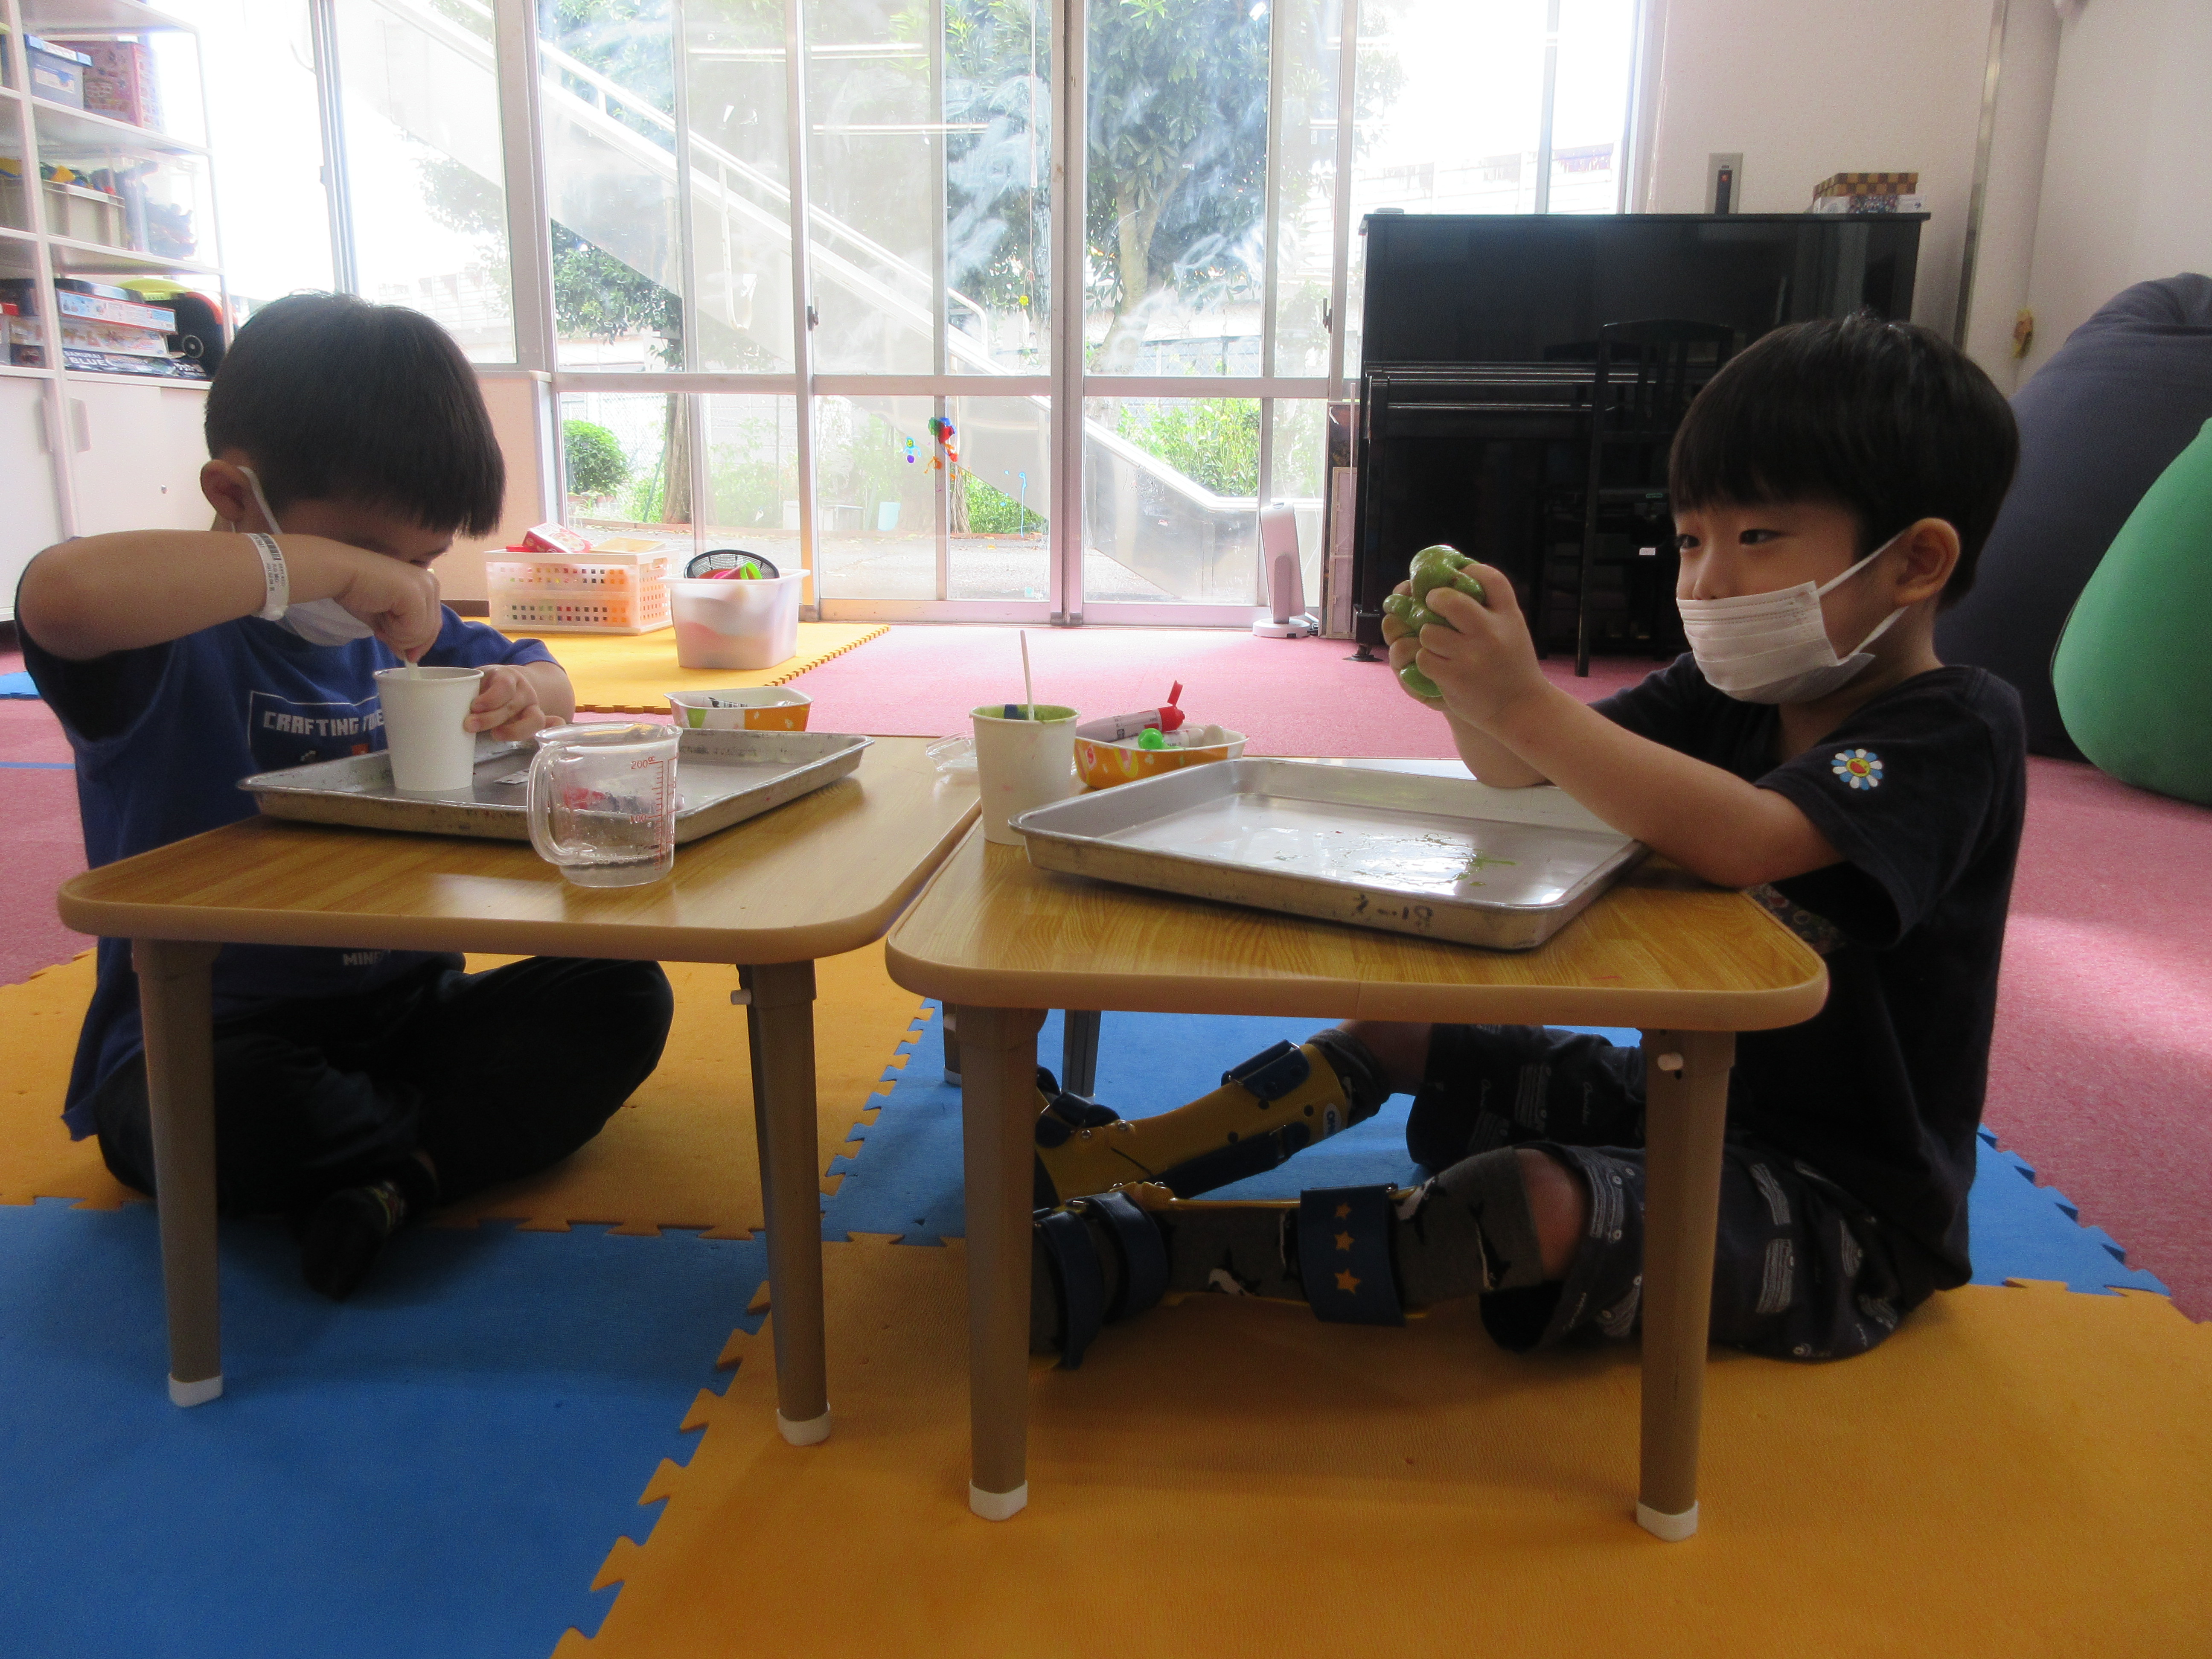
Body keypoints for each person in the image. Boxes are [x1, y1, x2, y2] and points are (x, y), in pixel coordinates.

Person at [1025, 312, 2026, 1370]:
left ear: (1914, 561)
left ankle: (1163, 1253)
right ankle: (1121, 1159)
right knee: (1403, 1029)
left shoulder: (1953, 730)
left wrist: (1525, 704)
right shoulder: (1728, 692)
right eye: (1693, 539)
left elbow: (1754, 839)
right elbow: (1529, 768)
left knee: (1537, 1203)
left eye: (1758, 539)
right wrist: (1477, 692)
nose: (1704, 583)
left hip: (1842, 1206)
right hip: (1688, 1092)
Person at [15, 294, 673, 1300]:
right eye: (370, 560)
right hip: (207, 1036)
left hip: (406, 1007)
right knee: (236, 1108)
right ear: (235, 498)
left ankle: (395, 1181)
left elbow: (552, 683)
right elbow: (60, 596)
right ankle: (432, 1157)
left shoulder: (402, 624)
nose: (399, 590)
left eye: (420, 564)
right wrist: (323, 573)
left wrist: (518, 693)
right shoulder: (161, 638)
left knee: (623, 995)